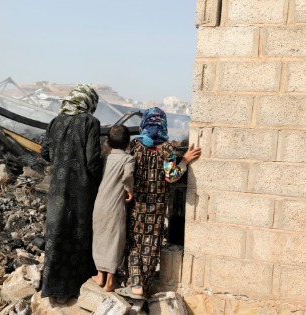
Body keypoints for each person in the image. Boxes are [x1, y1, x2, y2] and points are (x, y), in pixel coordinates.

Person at [117, 107, 201, 299]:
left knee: (134, 243)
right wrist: (185, 160)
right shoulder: (167, 148)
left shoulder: (135, 146)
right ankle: (143, 287)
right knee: (151, 245)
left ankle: (134, 283)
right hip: (157, 207)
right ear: (162, 124)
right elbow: (171, 177)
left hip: (137, 204)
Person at [40, 84, 102, 303]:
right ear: (89, 102)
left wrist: (60, 162)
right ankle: (74, 287)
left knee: (56, 234)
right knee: (79, 234)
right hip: (82, 191)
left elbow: (45, 153)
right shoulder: (90, 122)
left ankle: (52, 288)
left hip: (57, 189)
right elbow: (93, 160)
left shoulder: (55, 122)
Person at [91, 124, 135, 292]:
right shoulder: (128, 159)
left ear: (108, 142)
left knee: (100, 236)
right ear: (128, 143)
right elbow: (128, 175)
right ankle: (110, 280)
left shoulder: (105, 158)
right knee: (115, 239)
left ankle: (99, 275)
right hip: (115, 205)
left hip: (99, 204)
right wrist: (129, 190)